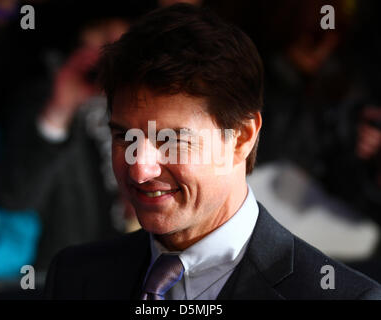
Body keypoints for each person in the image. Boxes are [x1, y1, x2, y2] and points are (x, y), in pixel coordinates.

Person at [44, 4, 381, 300]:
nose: (139, 169)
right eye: (124, 137)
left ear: (242, 137)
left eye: (171, 140)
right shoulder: (75, 277)